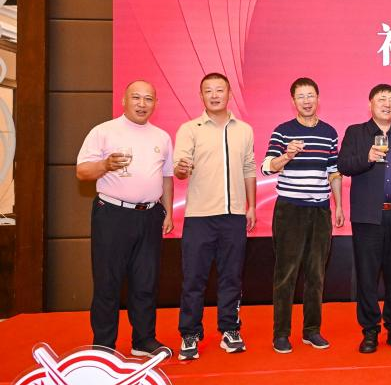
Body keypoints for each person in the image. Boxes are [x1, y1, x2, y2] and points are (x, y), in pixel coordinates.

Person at [76, 80, 173, 357]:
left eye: (148, 99)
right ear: (124, 100)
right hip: (112, 215)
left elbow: (167, 177)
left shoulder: (162, 137)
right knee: (108, 282)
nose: (142, 104)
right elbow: (82, 172)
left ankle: (143, 340)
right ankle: (104, 346)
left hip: (150, 216)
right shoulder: (104, 131)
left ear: (155, 103)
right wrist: (105, 165)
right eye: (136, 98)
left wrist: (167, 211)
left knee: (146, 281)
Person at [174, 73, 256, 360]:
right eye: (208, 91)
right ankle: (190, 333)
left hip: (233, 215)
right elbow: (180, 168)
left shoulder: (244, 130)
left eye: (219, 90)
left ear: (229, 94)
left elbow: (249, 168)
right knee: (193, 279)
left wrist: (251, 206)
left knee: (231, 277)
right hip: (199, 215)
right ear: (201, 96)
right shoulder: (189, 129)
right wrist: (182, 169)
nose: (214, 95)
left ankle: (230, 329)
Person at [262, 78, 344, 354]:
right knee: (286, 274)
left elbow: (333, 171)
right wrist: (287, 155)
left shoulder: (329, 132)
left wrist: (338, 206)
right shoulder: (282, 131)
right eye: (301, 96)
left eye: (311, 95)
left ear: (318, 98)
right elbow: (267, 167)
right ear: (293, 101)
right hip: (290, 210)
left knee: (316, 273)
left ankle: (311, 330)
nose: (307, 101)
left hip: (320, 210)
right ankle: (281, 334)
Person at [338, 84, 391, 354]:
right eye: (381, 99)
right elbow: (343, 165)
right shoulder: (356, 132)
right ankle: (370, 330)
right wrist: (367, 157)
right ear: (370, 104)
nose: (387, 104)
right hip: (367, 217)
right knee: (367, 276)